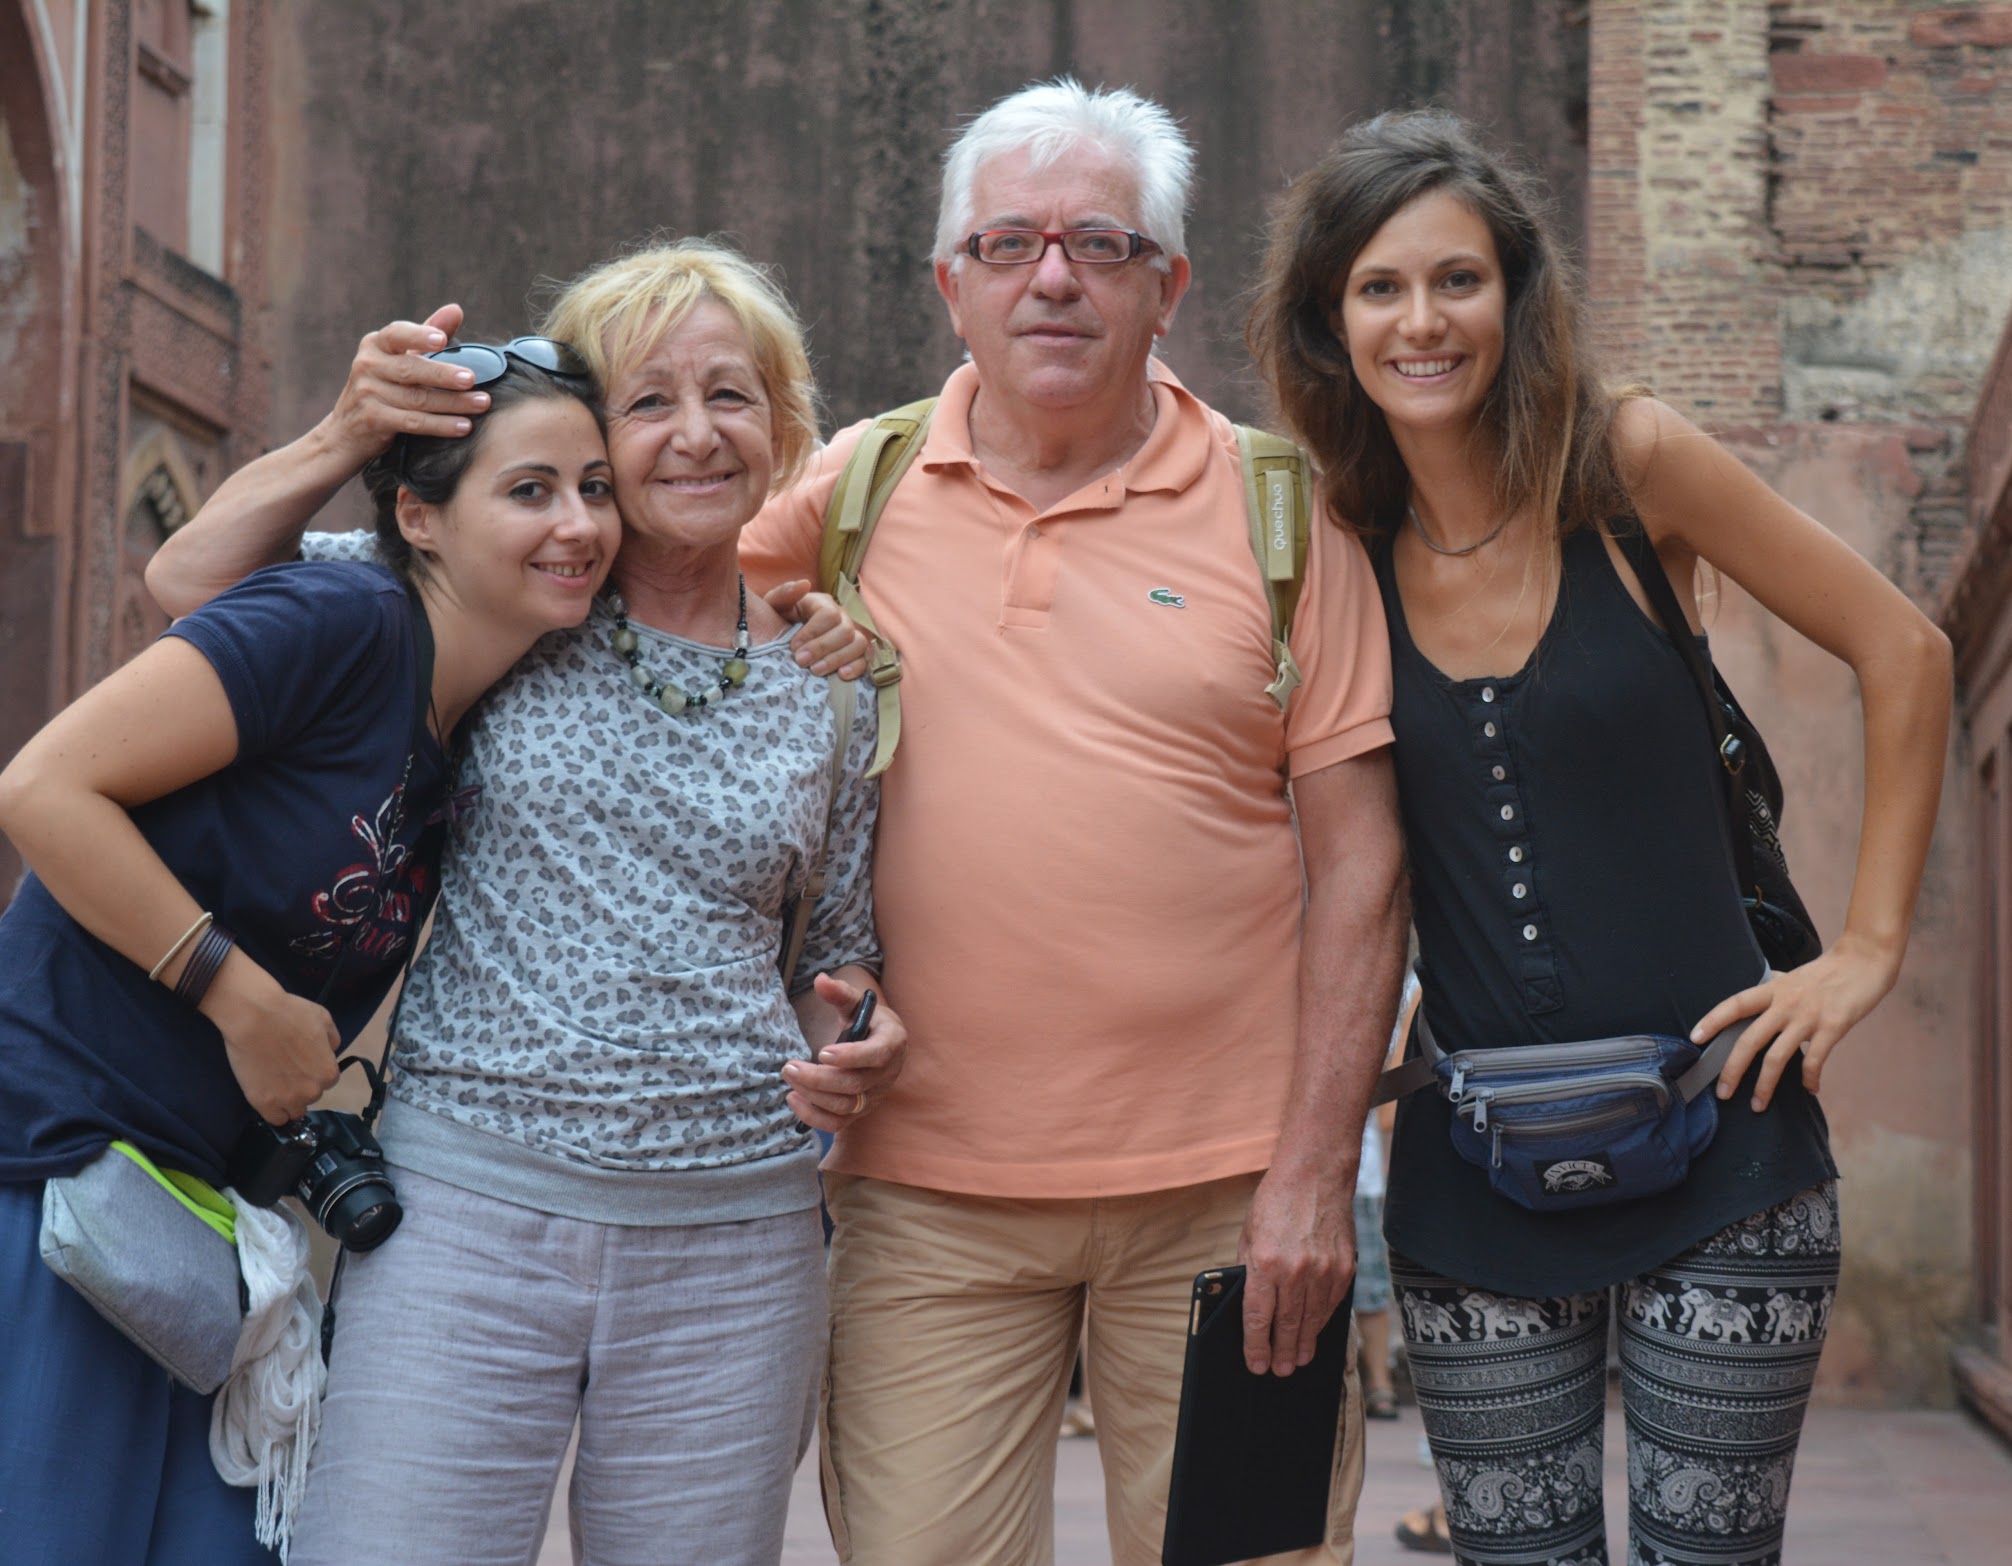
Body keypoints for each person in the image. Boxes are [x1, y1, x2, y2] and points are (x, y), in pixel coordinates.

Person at [1250, 111, 1953, 1566]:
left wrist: (1868, 949)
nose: (1422, 321)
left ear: (1516, 294)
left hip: (1728, 1141)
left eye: (1458, 279)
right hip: (1471, 1171)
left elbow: (1905, 650)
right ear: (1330, 322)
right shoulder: (1331, 542)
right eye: (1379, 288)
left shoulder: (1629, 465)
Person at [145, 239, 910, 1565]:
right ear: (590, 435)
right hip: (465, 1211)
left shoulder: (834, 682)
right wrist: (349, 430)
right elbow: (189, 584)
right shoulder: (503, 591)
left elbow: (832, 952)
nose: (695, 433)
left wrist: (858, 1032)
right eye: (649, 401)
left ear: (781, 425)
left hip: (735, 1241)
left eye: (729, 395)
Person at [737, 80, 1409, 1565]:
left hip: (1231, 1201)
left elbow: (1364, 868)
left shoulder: (1282, 513)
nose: (1053, 278)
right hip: (924, 1202)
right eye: (1009, 244)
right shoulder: (852, 491)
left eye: (1101, 244)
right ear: (951, 284)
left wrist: (1314, 1176)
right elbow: (644, 629)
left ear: (1167, 288)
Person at [0, 346, 618, 1564]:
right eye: (532, 489)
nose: (580, 523)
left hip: (191, 1223)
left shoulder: (457, 725)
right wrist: (239, 997)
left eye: (597, 489)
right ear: (420, 518)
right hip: (51, 1168)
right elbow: (42, 788)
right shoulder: (343, 620)